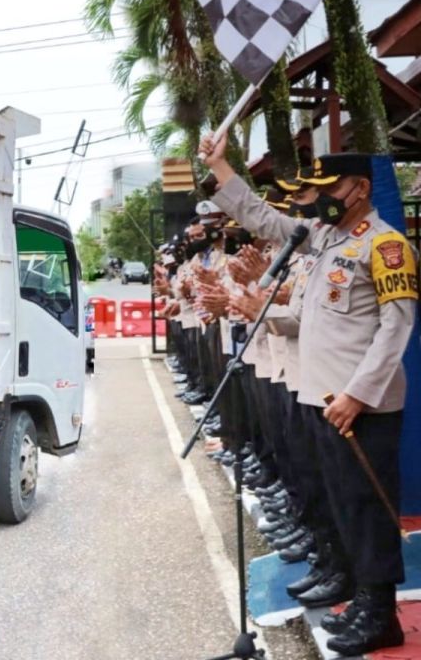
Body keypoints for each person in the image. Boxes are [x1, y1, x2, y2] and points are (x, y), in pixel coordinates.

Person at [201, 130, 417, 656]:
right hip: (322, 402)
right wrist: (223, 169)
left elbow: (396, 329)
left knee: (367, 508)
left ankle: (381, 612)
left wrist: (358, 396)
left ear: (360, 188)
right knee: (342, 503)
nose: (320, 197)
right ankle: (361, 596)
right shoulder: (326, 240)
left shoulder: (385, 246)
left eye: (330, 187)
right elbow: (296, 295)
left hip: (359, 409)